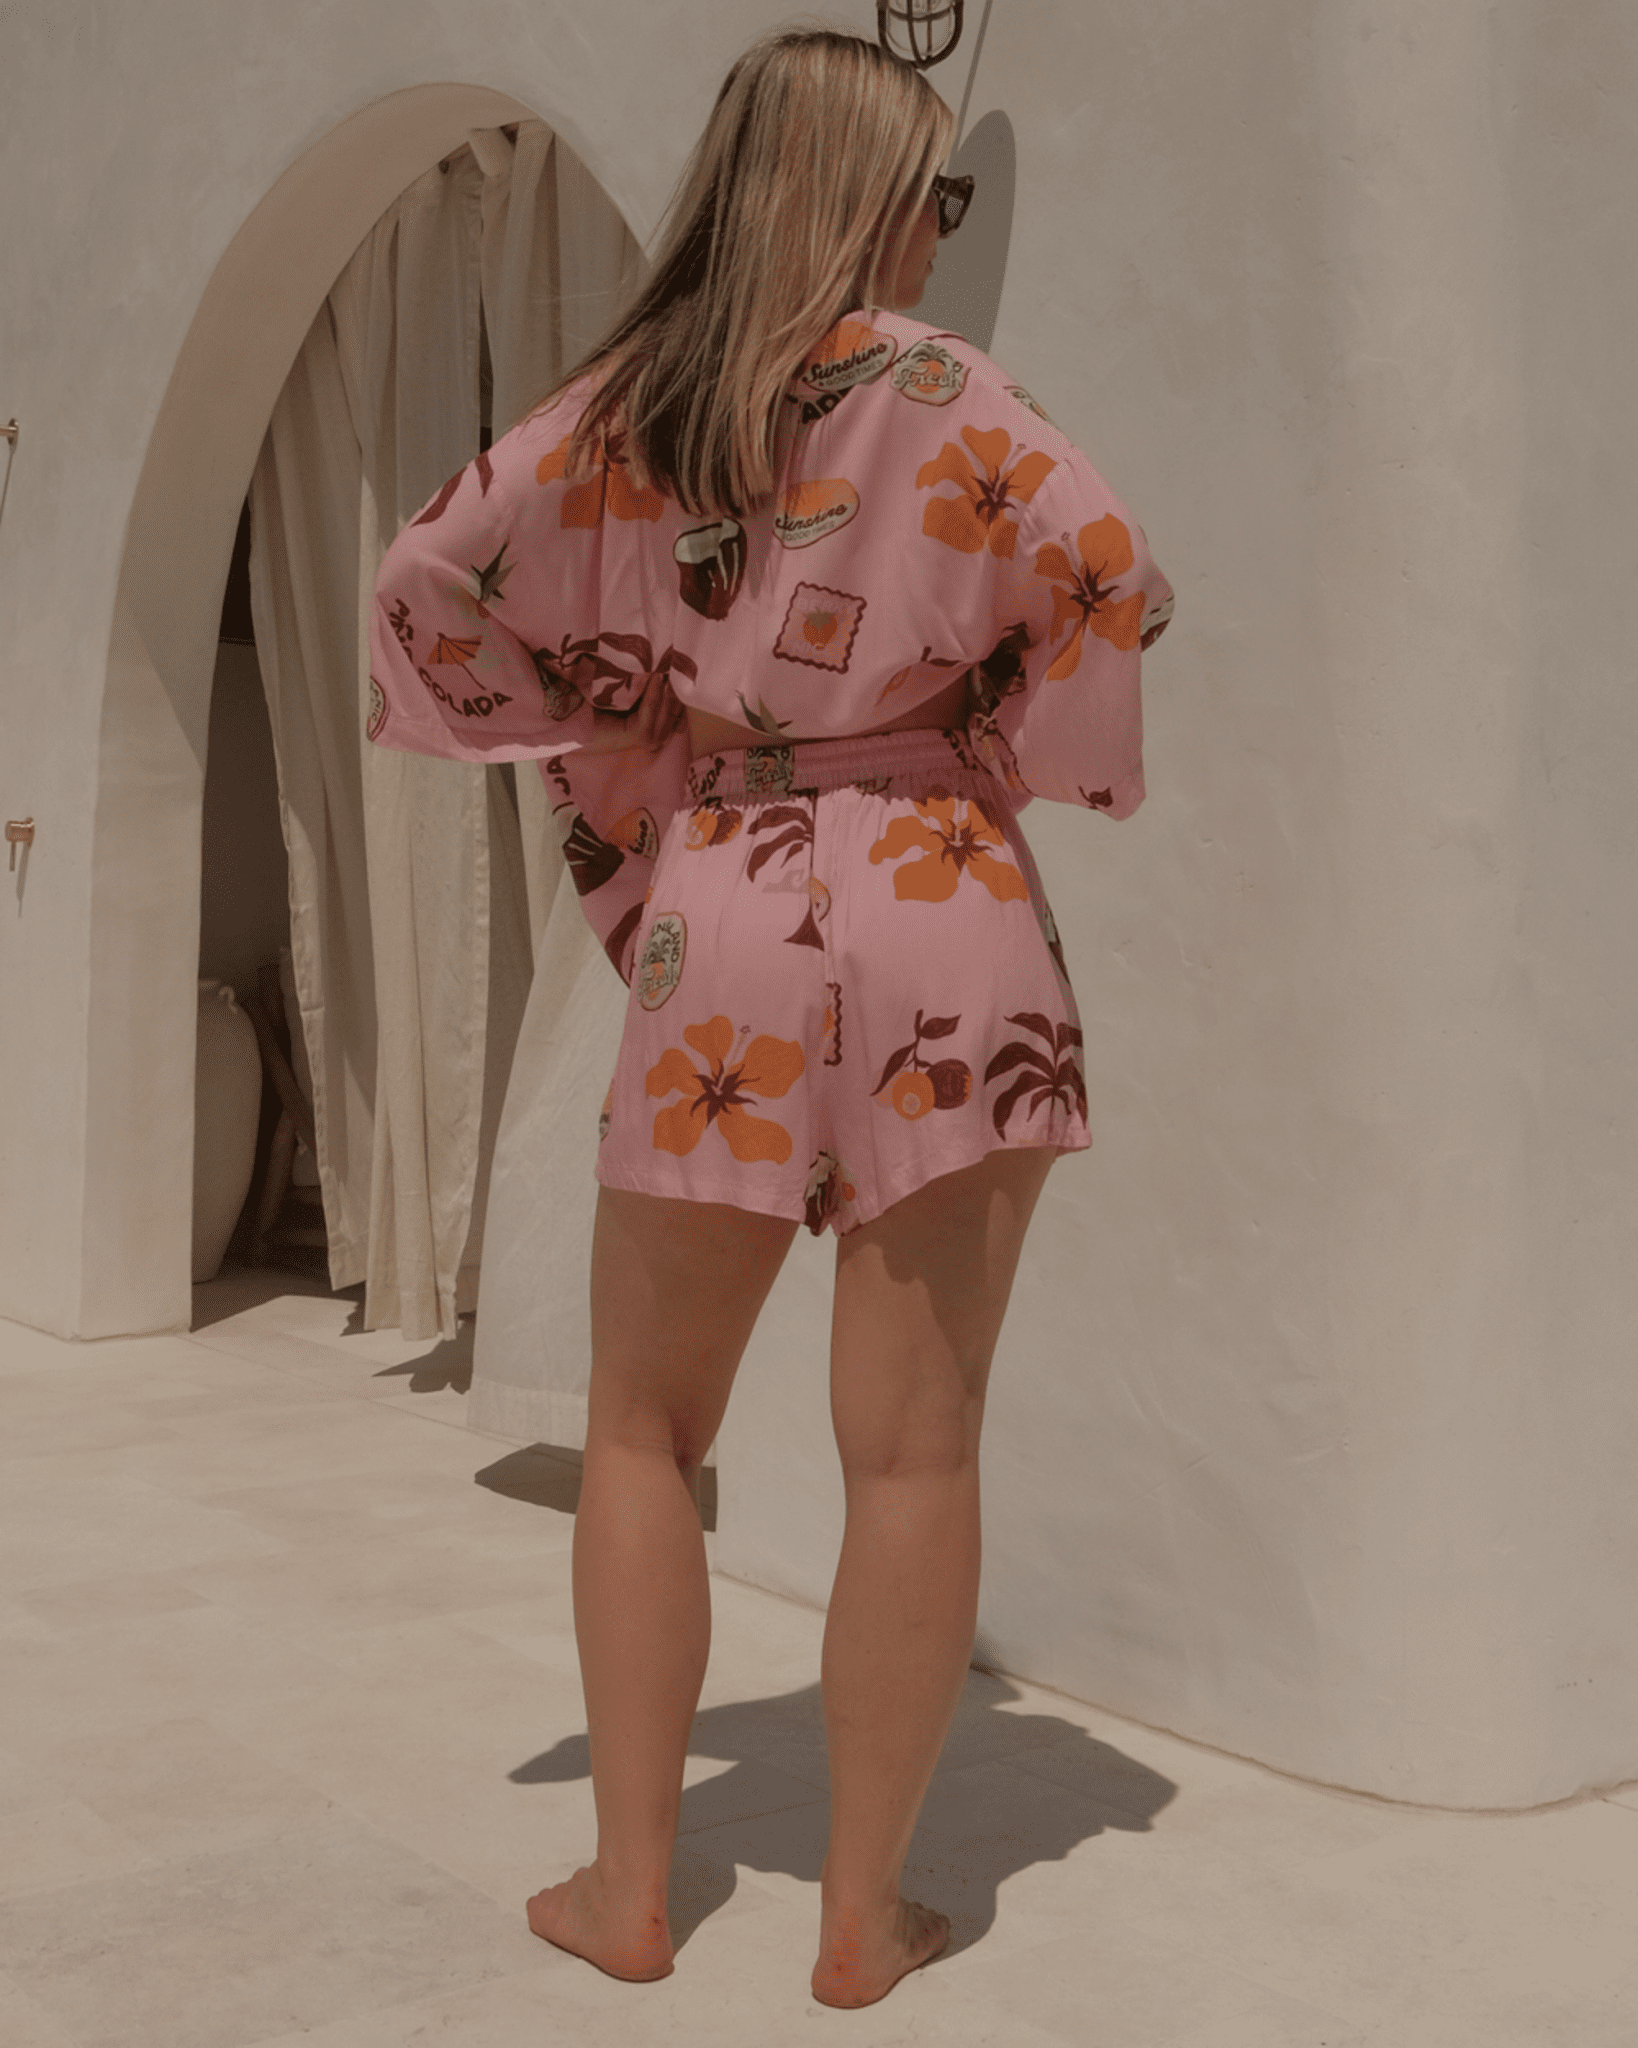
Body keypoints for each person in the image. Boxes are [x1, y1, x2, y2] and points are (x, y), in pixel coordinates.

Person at [368, 26, 1172, 2009]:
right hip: (939, 899)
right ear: (866, 193)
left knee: (643, 1427)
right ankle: (857, 1923)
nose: (937, 224)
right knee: (914, 1453)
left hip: (723, 902)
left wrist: (627, 725)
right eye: (931, 192)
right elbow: (1109, 572)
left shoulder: (626, 407)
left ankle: (630, 1891)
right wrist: (1010, 744)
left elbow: (428, 580)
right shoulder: (946, 390)